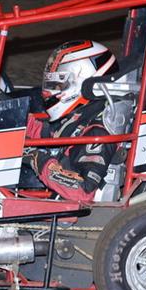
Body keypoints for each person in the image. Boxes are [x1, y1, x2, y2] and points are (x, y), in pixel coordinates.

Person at [28, 40, 120, 202]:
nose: (51, 92)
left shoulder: (98, 131)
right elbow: (49, 134)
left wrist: (38, 160)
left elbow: (83, 191)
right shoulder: (82, 114)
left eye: (59, 85)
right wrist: (9, 115)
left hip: (73, 211)